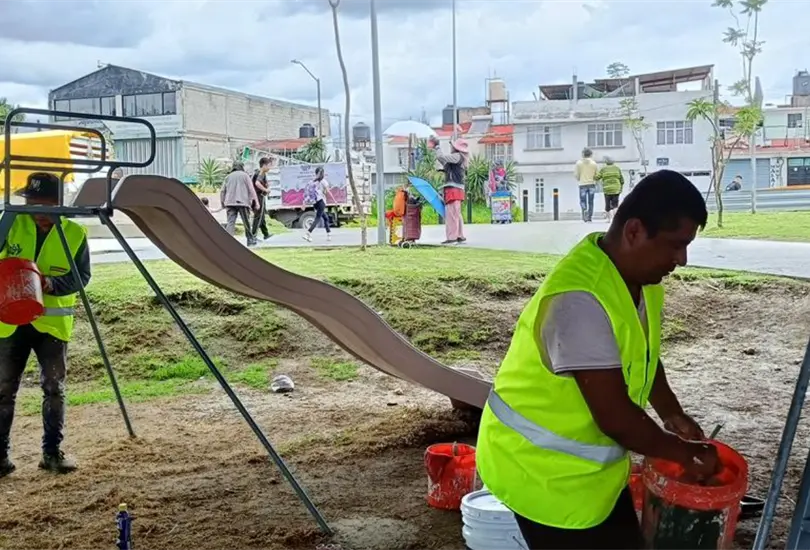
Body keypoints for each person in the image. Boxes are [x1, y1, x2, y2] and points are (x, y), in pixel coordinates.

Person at [476, 170, 720, 550]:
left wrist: (672, 413)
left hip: (588, 478)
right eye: (675, 245)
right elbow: (616, 418)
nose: (682, 260)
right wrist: (685, 454)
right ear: (634, 231)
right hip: (540, 476)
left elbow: (643, 355)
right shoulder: (579, 302)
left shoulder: (639, 279)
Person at [0, 172, 92, 477]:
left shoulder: (75, 233)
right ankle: (0, 457)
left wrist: (52, 284)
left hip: (51, 326)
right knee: (3, 390)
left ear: (59, 203)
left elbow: (82, 276)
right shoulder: (11, 223)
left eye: (45, 204)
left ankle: (51, 454)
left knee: (54, 389)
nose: (38, 211)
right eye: (32, 203)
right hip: (10, 322)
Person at [434, 138, 469, 244]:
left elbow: (441, 157)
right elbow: (444, 161)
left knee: (451, 214)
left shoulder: (457, 156)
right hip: (457, 189)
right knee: (456, 214)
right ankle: (459, 235)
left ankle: (452, 237)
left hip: (453, 188)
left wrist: (437, 147)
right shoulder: (460, 158)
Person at [220, 161, 258, 247]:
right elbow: (251, 189)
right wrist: (256, 202)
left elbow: (222, 191)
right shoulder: (245, 176)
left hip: (230, 202)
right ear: (242, 167)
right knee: (246, 222)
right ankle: (250, 240)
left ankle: (229, 241)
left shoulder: (228, 177)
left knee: (230, 222)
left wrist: (222, 202)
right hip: (243, 202)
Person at [302, 167, 336, 243]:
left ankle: (329, 234)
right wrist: (334, 200)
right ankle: (308, 233)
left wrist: (304, 203)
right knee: (317, 218)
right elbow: (328, 192)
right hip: (321, 202)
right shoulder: (324, 182)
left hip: (315, 203)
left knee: (326, 218)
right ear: (323, 173)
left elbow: (307, 193)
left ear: (315, 173)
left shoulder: (312, 182)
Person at [597, 156, 625, 222]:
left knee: (607, 205)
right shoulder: (617, 168)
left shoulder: (603, 169)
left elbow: (597, 177)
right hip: (616, 189)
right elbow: (622, 180)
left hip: (607, 190)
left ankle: (608, 219)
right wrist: (621, 188)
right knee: (615, 205)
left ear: (606, 162)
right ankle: (616, 219)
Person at [251, 157, 273, 241]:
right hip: (258, 197)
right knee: (258, 216)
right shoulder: (260, 173)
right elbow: (257, 183)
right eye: (269, 166)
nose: (270, 168)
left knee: (262, 215)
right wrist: (265, 190)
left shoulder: (261, 173)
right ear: (264, 165)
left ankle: (265, 234)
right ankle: (253, 236)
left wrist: (267, 186)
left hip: (259, 196)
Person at [575, 147, 599, 222]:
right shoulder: (594, 164)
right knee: (591, 201)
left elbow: (576, 174)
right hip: (591, 184)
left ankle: (584, 211)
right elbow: (597, 175)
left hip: (582, 184)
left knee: (583, 201)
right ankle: (589, 216)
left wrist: (579, 179)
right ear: (591, 154)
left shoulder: (579, 163)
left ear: (583, 154)